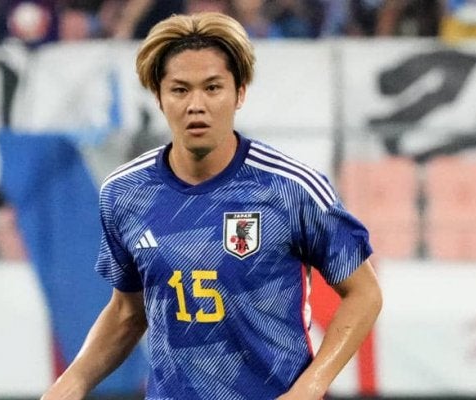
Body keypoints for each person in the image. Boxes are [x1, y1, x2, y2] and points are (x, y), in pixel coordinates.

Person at [41, 11, 382, 400]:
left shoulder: (290, 188)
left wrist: (309, 387)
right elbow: (126, 312)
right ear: (159, 97)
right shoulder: (124, 192)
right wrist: (71, 383)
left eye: (213, 88)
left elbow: (364, 294)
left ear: (240, 93)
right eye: (180, 90)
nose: (196, 105)